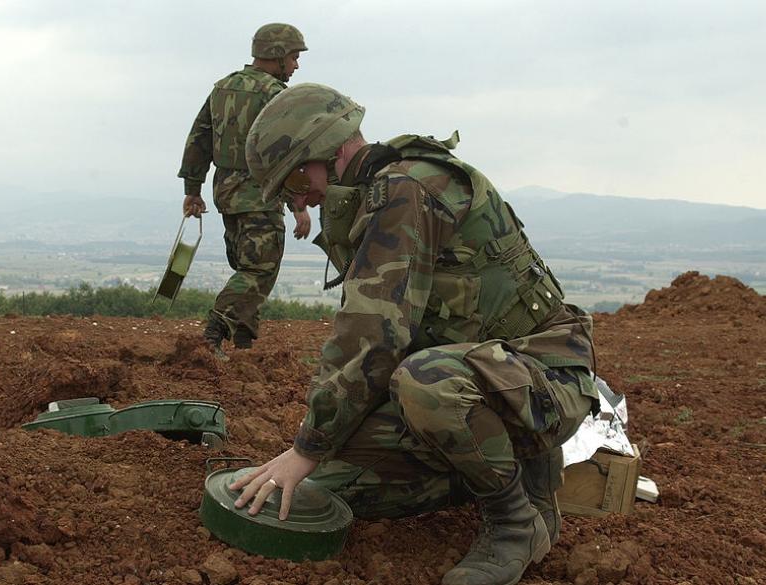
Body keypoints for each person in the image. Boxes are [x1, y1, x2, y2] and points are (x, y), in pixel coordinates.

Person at [231, 84, 600, 585]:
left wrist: (307, 447)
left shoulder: (404, 190)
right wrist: (321, 451)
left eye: (296, 178)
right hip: (490, 378)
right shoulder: (375, 190)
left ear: (332, 149)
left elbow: (372, 338)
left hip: (541, 379)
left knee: (424, 382)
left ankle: (518, 520)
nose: (300, 198)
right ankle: (488, 464)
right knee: (340, 481)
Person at [177, 23, 311, 353]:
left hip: (225, 192)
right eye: (294, 58)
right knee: (259, 268)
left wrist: (193, 189)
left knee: (246, 265)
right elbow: (288, 154)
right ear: (277, 56)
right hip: (259, 193)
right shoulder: (277, 96)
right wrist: (299, 205)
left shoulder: (222, 88)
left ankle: (243, 339)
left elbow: (200, 138)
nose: (296, 65)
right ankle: (215, 331)